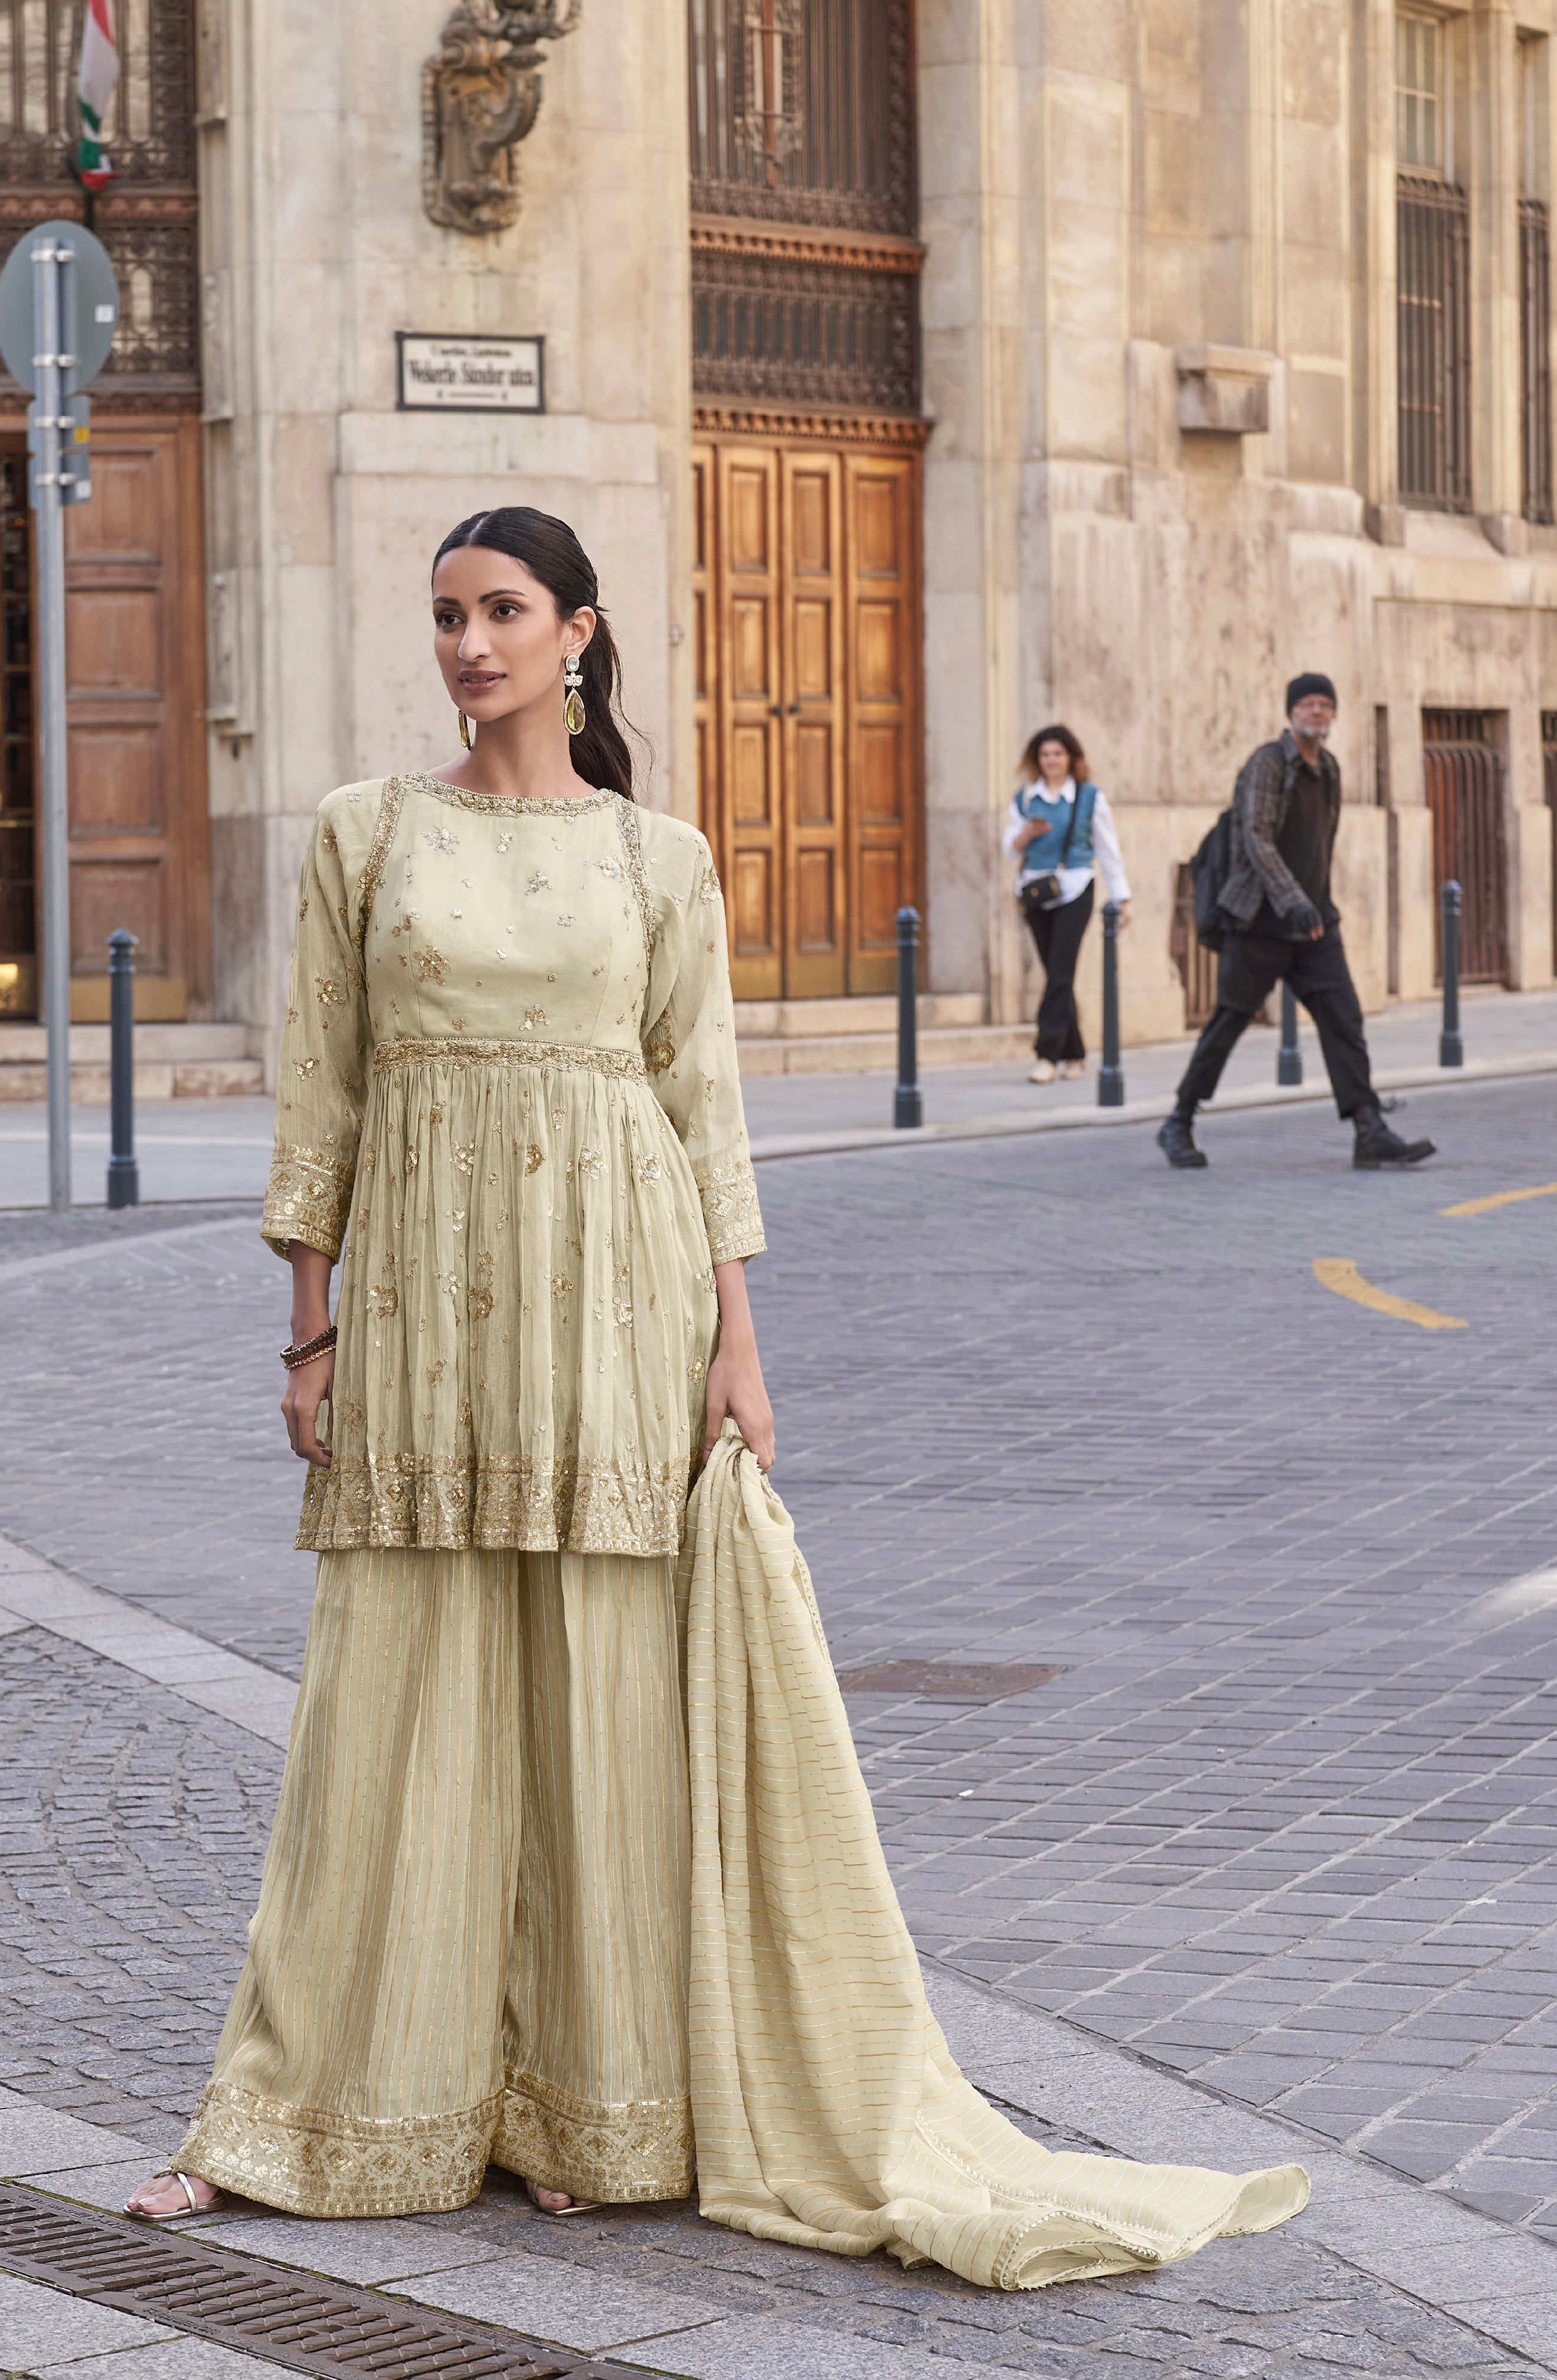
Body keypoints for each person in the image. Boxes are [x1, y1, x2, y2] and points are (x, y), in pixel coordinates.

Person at [122, 508, 1308, 2288]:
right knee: (394, 1694)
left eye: (501, 610)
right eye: (444, 615)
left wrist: (735, 1345)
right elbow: (326, 1092)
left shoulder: (659, 856)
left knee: (601, 1705)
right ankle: (300, 2111)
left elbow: (702, 1105)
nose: (467, 643)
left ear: (579, 632)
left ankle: (588, 2113)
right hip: (430, 1311)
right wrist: (313, 1327)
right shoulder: (366, 835)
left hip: (620, 1298)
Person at [1158, 674, 1433, 1171]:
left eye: (1326, 705)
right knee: (1228, 1023)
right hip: (1260, 924)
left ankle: (1368, 1129)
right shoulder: (1268, 764)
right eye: (1308, 704)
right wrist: (1292, 901)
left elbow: (1321, 847)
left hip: (1313, 927)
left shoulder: (1328, 768)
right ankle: (1178, 1121)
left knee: (1343, 1020)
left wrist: (1317, 907)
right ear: (1291, 713)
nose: (1317, 713)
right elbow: (1256, 839)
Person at [1003, 725, 1130, 1083]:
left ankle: (1047, 1055)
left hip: (1075, 886)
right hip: (1036, 890)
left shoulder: (1089, 797)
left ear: (1071, 758)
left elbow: (1108, 848)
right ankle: (1074, 1052)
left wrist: (1123, 897)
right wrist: (1025, 836)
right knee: (1057, 975)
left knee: (1061, 970)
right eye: (1045, 755)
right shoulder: (1027, 798)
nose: (1051, 761)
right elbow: (1007, 847)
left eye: (1058, 754)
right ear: (1037, 760)